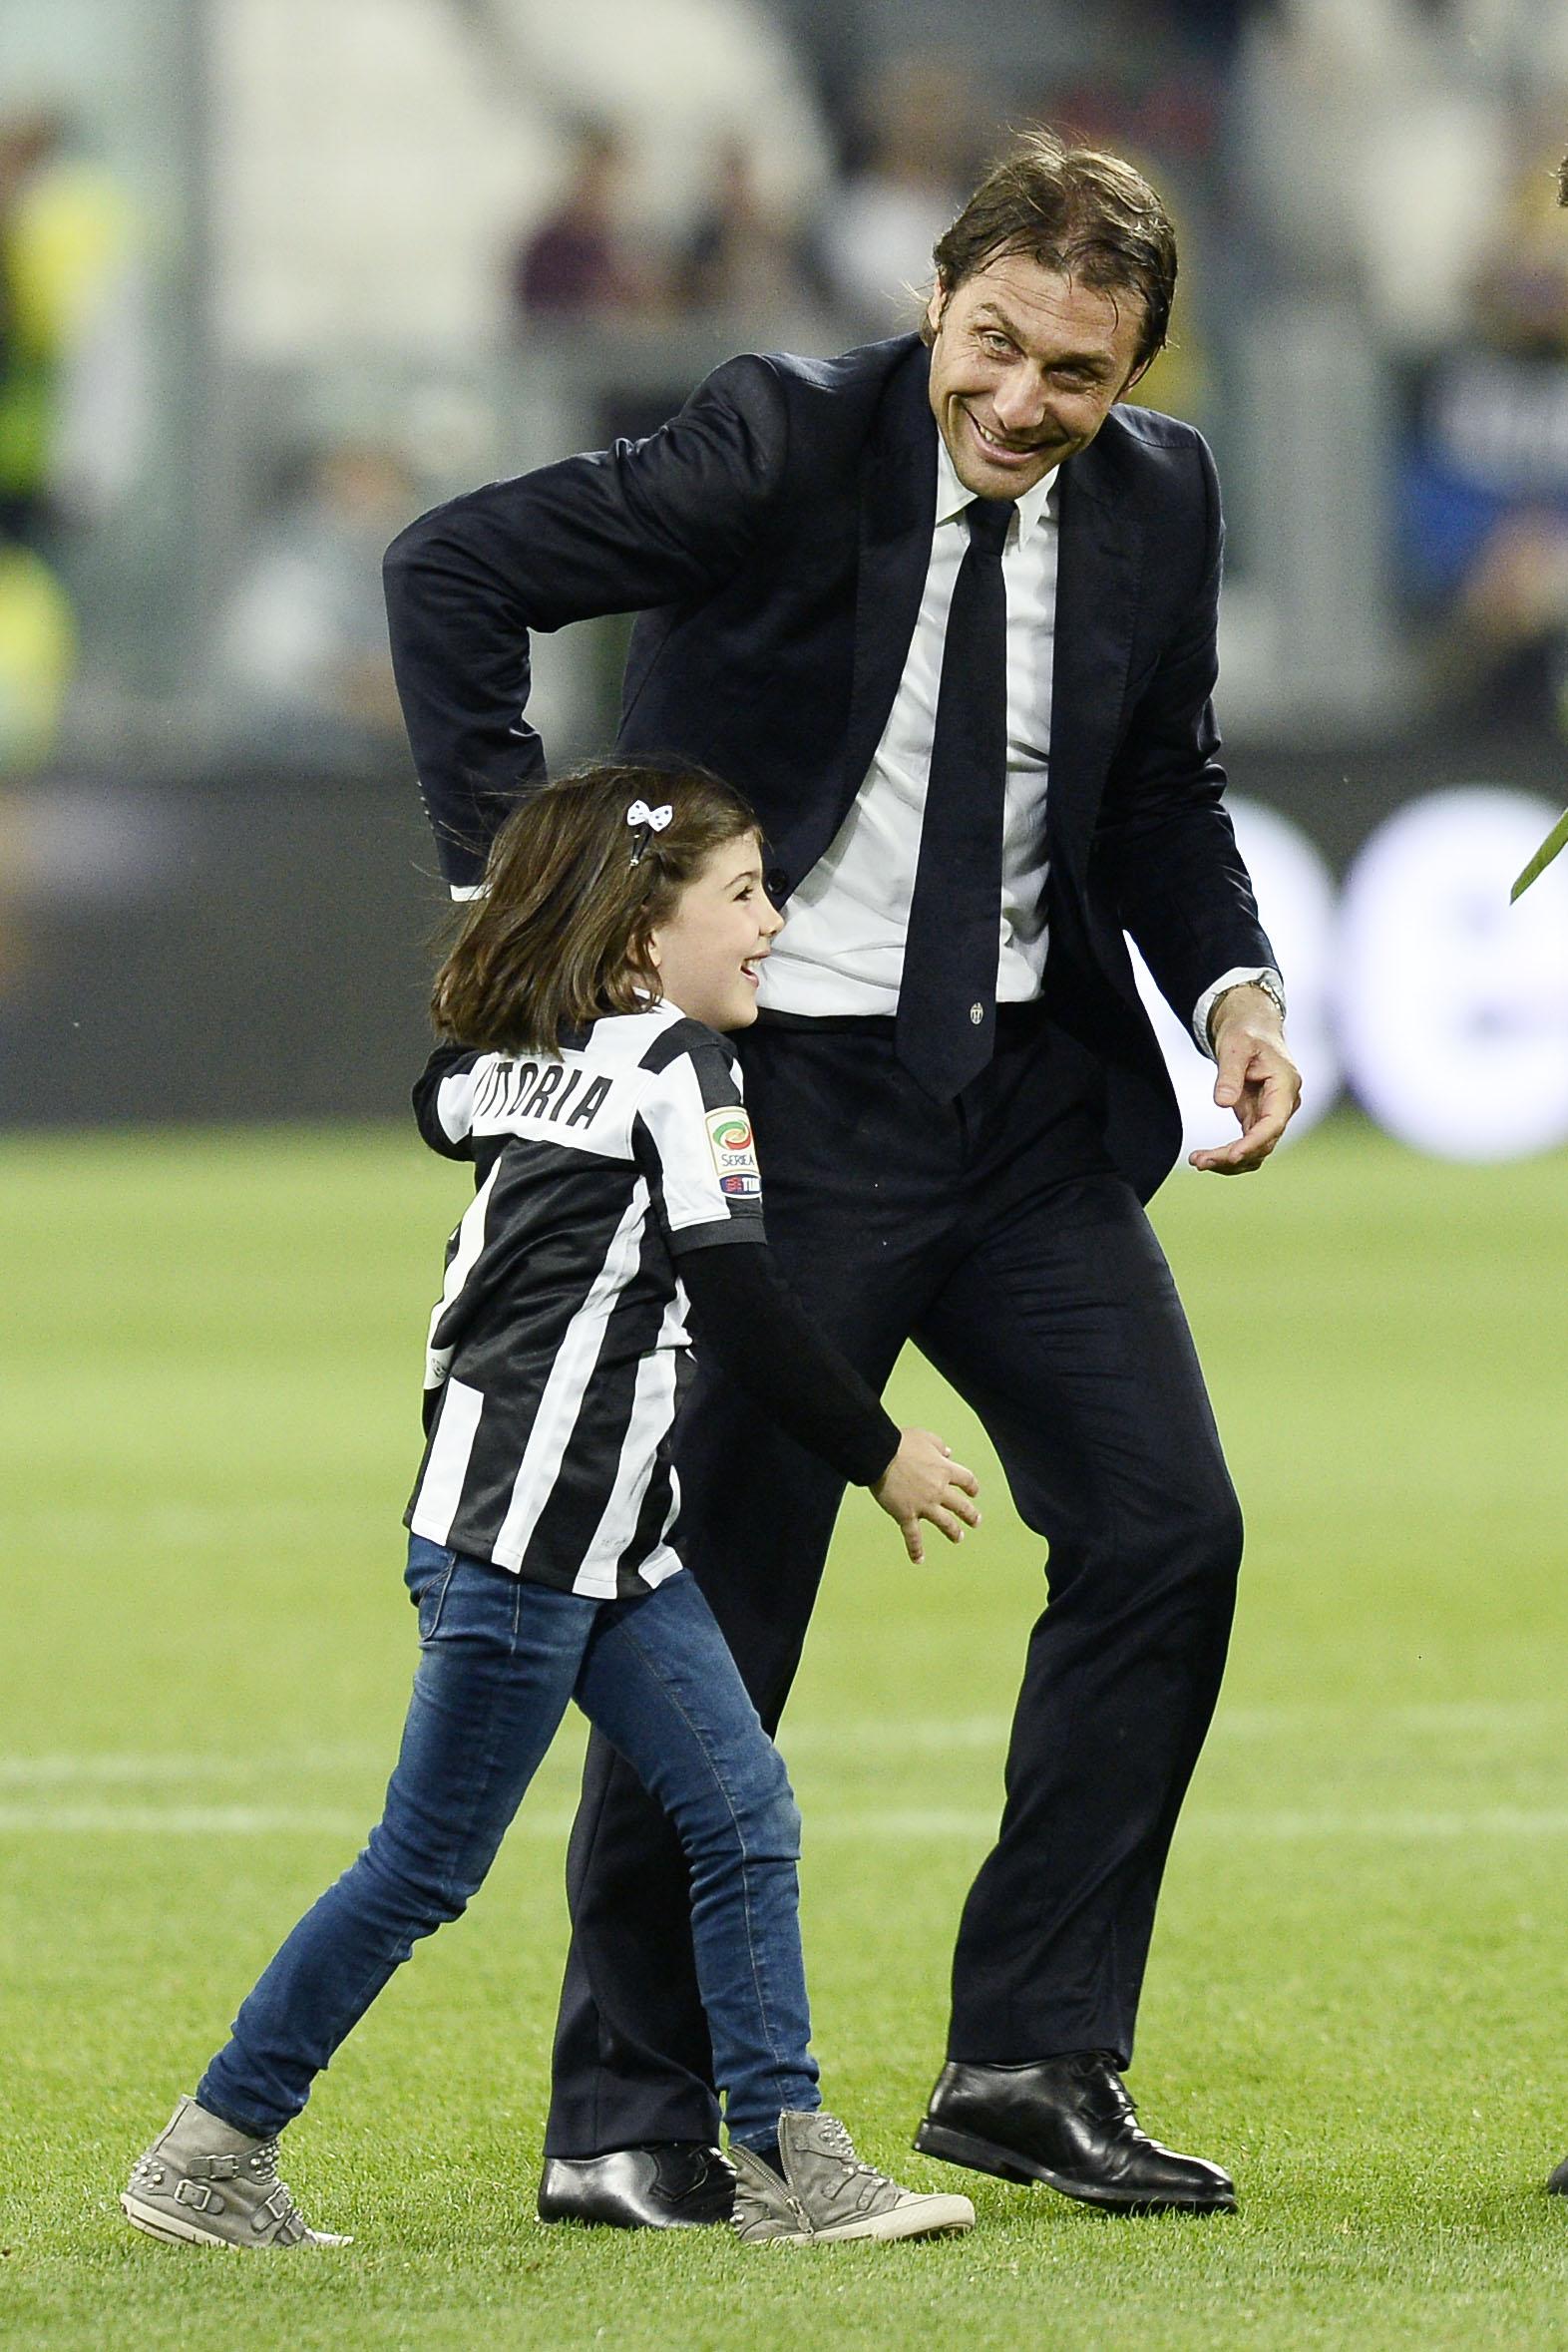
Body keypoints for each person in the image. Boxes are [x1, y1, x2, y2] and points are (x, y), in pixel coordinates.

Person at [384, 127, 1303, 2228]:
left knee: (1167, 1531)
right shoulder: (774, 444)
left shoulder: (1164, 501)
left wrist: (1235, 993)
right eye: (996, 344)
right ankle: (628, 2116)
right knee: (716, 1596)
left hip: (1028, 1111)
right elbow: (449, 570)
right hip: (770, 1108)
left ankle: (1033, 2061)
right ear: (935, 300)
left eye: (1078, 373)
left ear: (1139, 371)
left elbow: (1162, 789)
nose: (1023, 401)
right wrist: (523, 897)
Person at [119, 760, 980, 2252]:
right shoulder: (679, 1070)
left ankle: (787, 2159)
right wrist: (879, 1448)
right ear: (645, 932)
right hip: (527, 1539)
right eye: (743, 895)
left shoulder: (528, 1054)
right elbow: (741, 1303)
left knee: (743, 1812)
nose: (772, 924)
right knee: (423, 1867)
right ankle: (211, 2150)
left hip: (597, 1537)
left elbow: (441, 1096)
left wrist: (524, 984)